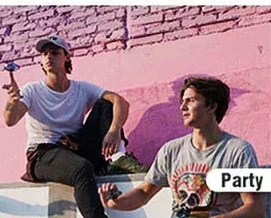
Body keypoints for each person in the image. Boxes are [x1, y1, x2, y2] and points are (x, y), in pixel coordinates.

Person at [3, 36, 138, 218]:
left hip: (75, 147)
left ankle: (119, 159)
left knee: (107, 103)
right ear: (41, 62)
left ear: (66, 57)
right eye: (45, 54)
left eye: (55, 53)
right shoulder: (32, 90)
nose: (49, 57)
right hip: (43, 155)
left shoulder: (81, 88)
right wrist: (11, 102)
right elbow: (10, 120)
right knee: (81, 168)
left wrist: (114, 131)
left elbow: (120, 101)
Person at [100, 77, 266, 218]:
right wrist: (116, 203)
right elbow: (144, 193)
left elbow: (255, 209)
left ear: (212, 106)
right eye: (182, 101)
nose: (182, 107)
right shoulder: (171, 151)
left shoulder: (238, 151)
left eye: (191, 100)